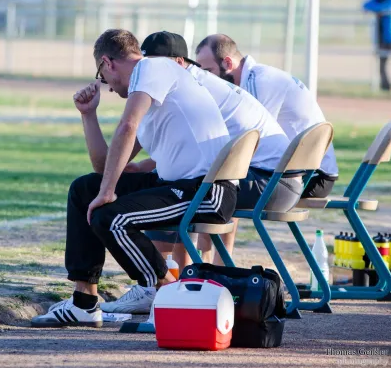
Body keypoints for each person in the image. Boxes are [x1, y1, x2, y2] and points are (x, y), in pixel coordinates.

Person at [30, 29, 238, 327]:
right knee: (84, 189)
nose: (110, 89)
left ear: (107, 62)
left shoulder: (152, 67)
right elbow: (106, 166)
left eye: (103, 78)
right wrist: (88, 115)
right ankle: (83, 303)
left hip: (207, 191)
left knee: (110, 218)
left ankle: (169, 293)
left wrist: (109, 192)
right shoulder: (155, 93)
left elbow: (127, 126)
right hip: (182, 185)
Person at [100, 31, 299, 315]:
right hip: (275, 179)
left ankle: (172, 281)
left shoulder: (190, 86)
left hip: (269, 182)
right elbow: (135, 160)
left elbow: (200, 163)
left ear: (177, 64)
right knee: (167, 183)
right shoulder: (190, 88)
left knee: (173, 188)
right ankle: (177, 274)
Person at [194, 33, 339, 200]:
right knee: (224, 177)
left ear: (227, 62)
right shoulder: (260, 77)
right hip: (310, 173)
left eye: (208, 71)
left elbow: (249, 144)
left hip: (311, 177)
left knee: (208, 184)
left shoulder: (258, 83)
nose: (207, 79)